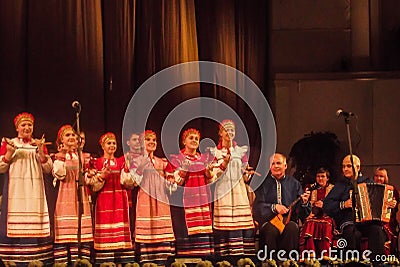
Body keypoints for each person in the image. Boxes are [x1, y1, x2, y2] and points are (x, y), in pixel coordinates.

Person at [0, 112, 54, 266]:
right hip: (16, 189)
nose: (27, 127)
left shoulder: (38, 144)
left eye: (30, 125)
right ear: (17, 128)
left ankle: (36, 258)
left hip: (35, 188)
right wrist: (9, 153)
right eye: (23, 125)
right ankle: (14, 259)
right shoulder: (10, 143)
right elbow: (1, 167)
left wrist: (41, 151)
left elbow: (48, 168)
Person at [324, 155, 395, 262]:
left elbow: (381, 201)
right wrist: (343, 204)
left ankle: (376, 263)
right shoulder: (340, 185)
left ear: (358, 167)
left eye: (348, 166)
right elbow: (327, 205)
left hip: (367, 222)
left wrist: (389, 204)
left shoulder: (368, 182)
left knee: (377, 231)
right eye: (343, 166)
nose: (345, 169)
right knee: (352, 233)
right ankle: (352, 263)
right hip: (348, 221)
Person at [86, 132, 135, 266]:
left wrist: (126, 169)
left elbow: (128, 183)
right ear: (102, 146)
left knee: (120, 229)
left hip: (120, 199)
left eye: (114, 143)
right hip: (105, 200)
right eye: (109, 143)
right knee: (106, 228)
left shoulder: (121, 161)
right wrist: (103, 176)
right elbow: (93, 187)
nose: (112, 145)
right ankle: (106, 261)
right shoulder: (97, 162)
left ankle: (122, 262)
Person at [209, 120, 255, 260]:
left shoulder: (240, 151)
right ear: (220, 133)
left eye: (232, 130)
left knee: (240, 225)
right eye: (226, 130)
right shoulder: (215, 152)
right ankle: (225, 260)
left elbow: (245, 176)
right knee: (225, 226)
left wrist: (247, 172)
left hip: (238, 191)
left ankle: (240, 259)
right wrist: (224, 163)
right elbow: (212, 176)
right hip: (223, 190)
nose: (229, 133)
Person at [165, 128, 214, 258]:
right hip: (184, 203)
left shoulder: (203, 158)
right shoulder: (177, 159)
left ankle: (204, 259)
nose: (194, 140)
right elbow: (175, 183)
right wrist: (183, 170)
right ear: (184, 141)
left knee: (202, 235)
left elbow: (210, 180)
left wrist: (208, 172)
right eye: (191, 138)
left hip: (202, 201)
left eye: (196, 139)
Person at [130, 130, 175, 265]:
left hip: (161, 200)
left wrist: (170, 182)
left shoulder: (162, 162)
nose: (152, 142)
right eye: (148, 140)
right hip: (145, 200)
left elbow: (171, 184)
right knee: (147, 231)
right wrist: (141, 167)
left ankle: (162, 262)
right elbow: (131, 182)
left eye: (154, 140)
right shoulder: (136, 161)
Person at [253, 153, 311, 257]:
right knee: (270, 230)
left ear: (285, 166)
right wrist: (274, 207)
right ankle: (270, 263)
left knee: (292, 228)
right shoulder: (262, 184)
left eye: (278, 163)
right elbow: (257, 207)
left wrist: (305, 203)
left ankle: (288, 263)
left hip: (289, 222)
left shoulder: (294, 184)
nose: (275, 166)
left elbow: (302, 214)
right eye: (272, 163)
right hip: (269, 221)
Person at [52, 125, 93, 264]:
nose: (71, 138)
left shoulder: (82, 157)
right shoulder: (58, 157)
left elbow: (86, 178)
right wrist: (63, 156)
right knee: (65, 233)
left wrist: (94, 176)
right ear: (61, 140)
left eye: (73, 135)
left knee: (82, 233)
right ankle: (63, 263)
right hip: (65, 196)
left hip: (81, 196)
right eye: (67, 135)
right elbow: (60, 174)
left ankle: (81, 263)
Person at [299, 167, 335, 258]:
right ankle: (309, 253)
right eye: (318, 176)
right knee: (309, 223)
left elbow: (335, 205)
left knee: (326, 224)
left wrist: (324, 205)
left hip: (328, 216)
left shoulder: (333, 189)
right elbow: (305, 206)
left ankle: (325, 254)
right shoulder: (311, 188)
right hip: (313, 215)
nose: (320, 179)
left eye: (323, 176)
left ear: (327, 178)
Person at [373, 167, 399, 255]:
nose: (378, 178)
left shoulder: (391, 189)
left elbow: (396, 205)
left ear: (385, 178)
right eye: (376, 176)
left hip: (388, 220)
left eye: (381, 176)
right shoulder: (369, 188)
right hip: (372, 220)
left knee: (384, 228)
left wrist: (394, 203)